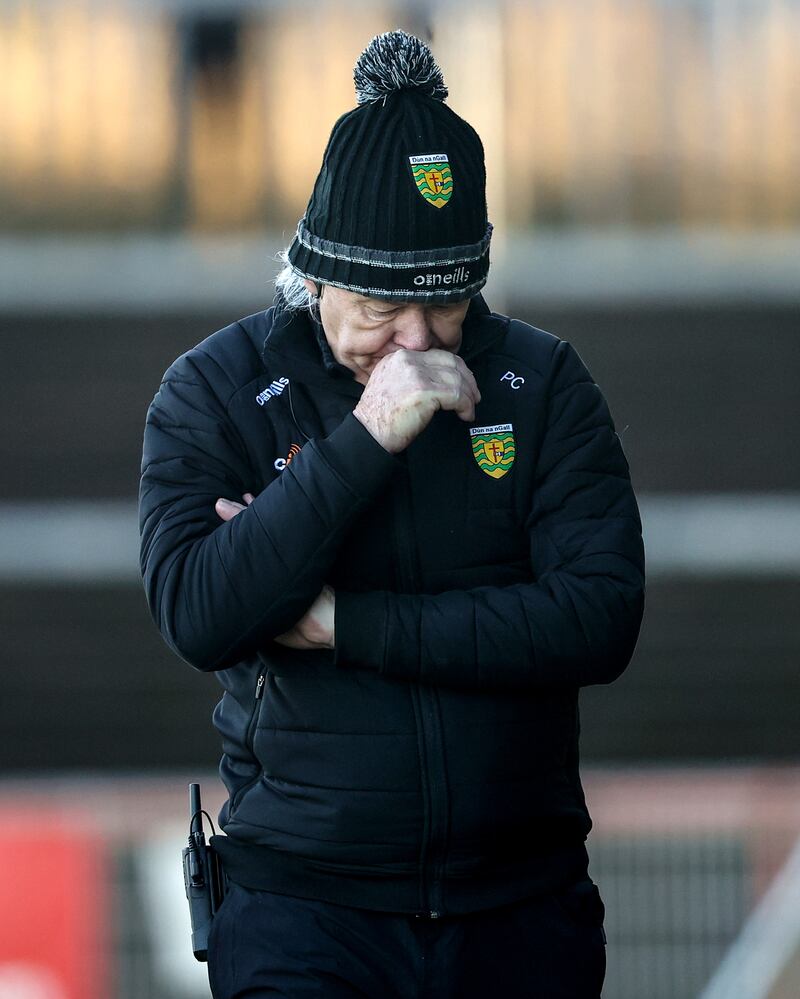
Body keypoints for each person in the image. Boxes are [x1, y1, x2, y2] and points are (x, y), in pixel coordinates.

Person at [139, 30, 644, 999]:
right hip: (302, 911)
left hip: (519, 906)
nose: (413, 344)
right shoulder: (214, 389)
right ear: (315, 273)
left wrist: (344, 624)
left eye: (446, 306)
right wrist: (365, 439)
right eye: (379, 310)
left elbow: (595, 618)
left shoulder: (539, 384)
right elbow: (200, 613)